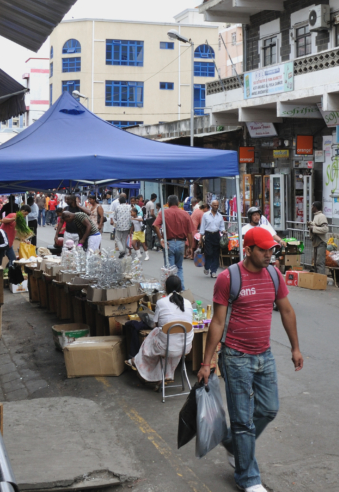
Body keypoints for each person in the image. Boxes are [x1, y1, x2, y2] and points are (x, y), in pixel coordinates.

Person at [198, 227, 302, 492]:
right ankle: (248, 478)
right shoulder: (228, 278)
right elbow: (218, 323)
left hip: (264, 355)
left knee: (269, 409)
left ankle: (234, 444)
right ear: (248, 250)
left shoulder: (273, 274)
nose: (270, 254)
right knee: (243, 420)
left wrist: (295, 348)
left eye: (271, 249)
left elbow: (287, 311)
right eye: (264, 250)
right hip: (235, 357)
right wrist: (206, 362)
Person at [126, 274, 193, 380]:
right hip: (185, 347)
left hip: (165, 347)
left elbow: (154, 325)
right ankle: (166, 374)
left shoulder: (161, 302)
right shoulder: (188, 303)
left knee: (155, 333)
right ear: (181, 288)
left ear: (165, 288)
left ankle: (136, 360)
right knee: (170, 340)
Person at [155, 195, 192, 286]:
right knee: (179, 268)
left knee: (170, 269)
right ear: (178, 203)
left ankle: (172, 291)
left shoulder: (163, 213)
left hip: (169, 243)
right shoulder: (185, 214)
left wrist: (161, 239)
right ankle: (181, 289)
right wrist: (190, 247)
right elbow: (190, 232)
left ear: (168, 203)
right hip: (181, 243)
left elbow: (156, 225)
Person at [199, 199, 225, 278]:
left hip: (216, 235)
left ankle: (213, 271)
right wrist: (200, 239)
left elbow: (222, 227)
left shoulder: (220, 216)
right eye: (214, 205)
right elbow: (202, 227)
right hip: (208, 235)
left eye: (217, 205)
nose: (216, 207)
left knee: (216, 254)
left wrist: (224, 231)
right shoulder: (206, 215)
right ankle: (207, 267)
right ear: (211, 205)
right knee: (209, 253)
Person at [308, 202, 329, 275]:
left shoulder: (321, 216)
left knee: (320, 263)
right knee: (316, 263)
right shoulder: (316, 216)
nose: (311, 208)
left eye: (312, 206)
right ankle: (317, 279)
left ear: (315, 207)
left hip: (321, 242)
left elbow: (325, 229)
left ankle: (321, 280)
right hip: (316, 243)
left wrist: (313, 228)